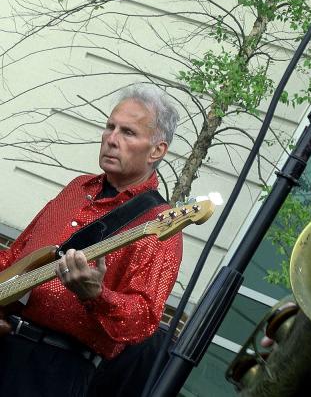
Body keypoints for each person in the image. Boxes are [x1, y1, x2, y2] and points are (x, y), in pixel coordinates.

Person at [0, 85, 183, 397]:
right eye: (110, 126)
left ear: (157, 151)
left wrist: (97, 295)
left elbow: (143, 321)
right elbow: (16, 257)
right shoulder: (76, 188)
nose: (111, 139)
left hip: (56, 371)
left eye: (128, 132)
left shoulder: (160, 226)